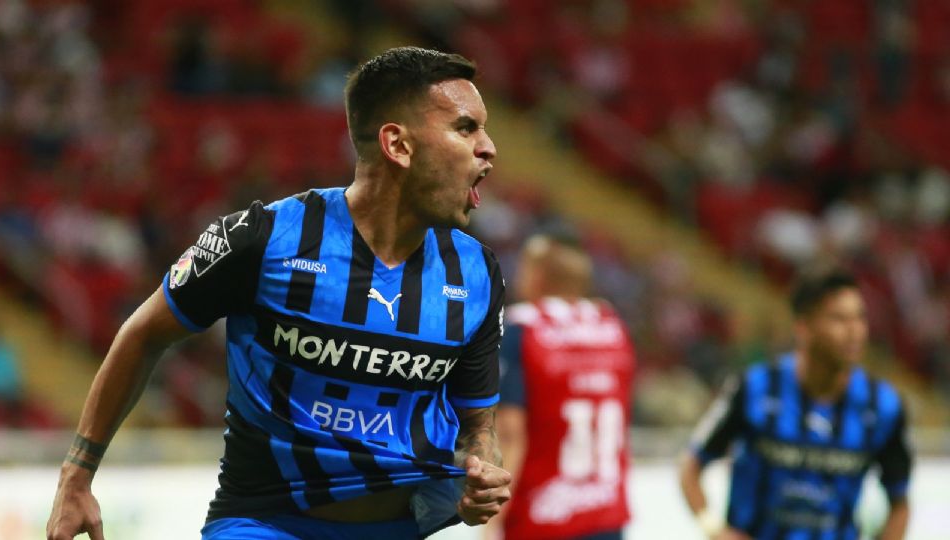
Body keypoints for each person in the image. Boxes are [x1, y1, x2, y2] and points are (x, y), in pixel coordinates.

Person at [46, 46, 511, 540]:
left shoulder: (477, 274)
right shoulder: (262, 239)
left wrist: (482, 467)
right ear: (397, 145)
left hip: (398, 528)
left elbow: (477, 423)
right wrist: (77, 475)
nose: (489, 147)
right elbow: (143, 335)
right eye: (466, 128)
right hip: (265, 525)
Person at [679, 267, 912, 540]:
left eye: (860, 318)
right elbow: (691, 466)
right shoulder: (756, 388)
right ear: (804, 328)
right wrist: (714, 529)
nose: (854, 332)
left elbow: (900, 503)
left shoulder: (882, 405)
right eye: (838, 319)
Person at [487, 232, 635, 540]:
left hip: (542, 518)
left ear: (538, 276)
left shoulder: (523, 328)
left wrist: (493, 521)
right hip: (607, 512)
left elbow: (510, 434)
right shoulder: (612, 325)